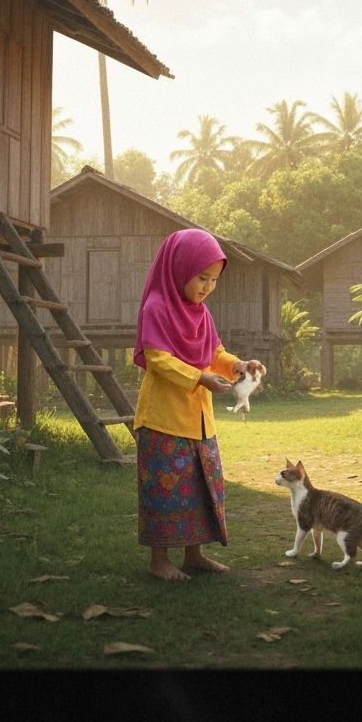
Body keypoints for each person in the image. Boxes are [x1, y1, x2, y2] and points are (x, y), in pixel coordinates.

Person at [132, 228, 264, 581]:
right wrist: (200, 378)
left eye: (214, 280)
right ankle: (159, 560)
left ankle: (194, 555)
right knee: (164, 489)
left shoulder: (201, 314)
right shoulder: (157, 306)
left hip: (199, 420)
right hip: (163, 418)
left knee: (200, 487)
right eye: (201, 277)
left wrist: (236, 365)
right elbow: (157, 358)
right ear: (179, 268)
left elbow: (214, 353)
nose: (207, 286)